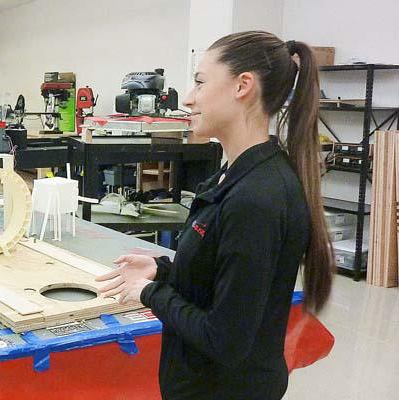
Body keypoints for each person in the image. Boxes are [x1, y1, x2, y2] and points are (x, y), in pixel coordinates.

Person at [97, 31, 334, 400]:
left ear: (243, 86)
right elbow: (223, 284)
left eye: (200, 82)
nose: (188, 98)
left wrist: (148, 292)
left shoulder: (257, 198)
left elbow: (225, 339)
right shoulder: (234, 175)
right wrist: (162, 270)